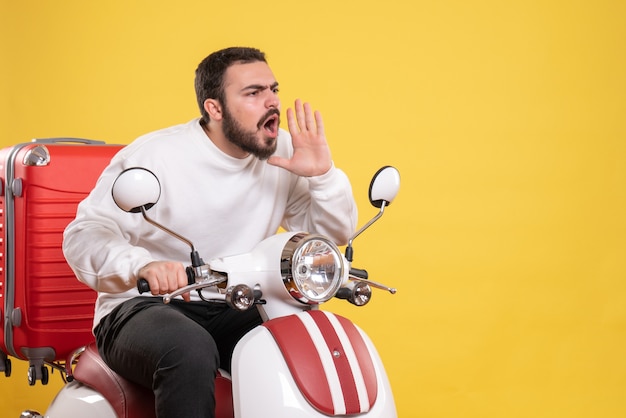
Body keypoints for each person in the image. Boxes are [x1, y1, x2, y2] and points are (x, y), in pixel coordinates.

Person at [62, 46, 357, 418]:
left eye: (274, 89)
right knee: (188, 348)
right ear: (214, 108)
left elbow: (331, 235)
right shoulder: (157, 156)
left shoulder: (283, 151)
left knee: (305, 337)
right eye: (253, 93)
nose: (272, 102)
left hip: (234, 301)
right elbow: (85, 233)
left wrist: (323, 176)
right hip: (142, 307)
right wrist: (142, 266)